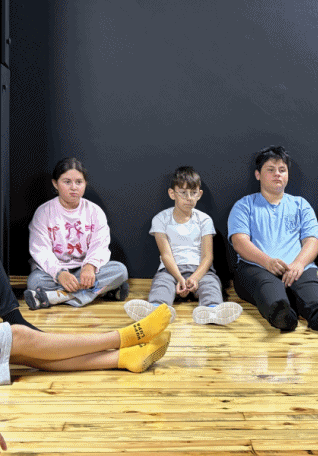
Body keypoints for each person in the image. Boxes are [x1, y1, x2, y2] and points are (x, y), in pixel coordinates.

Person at [228, 145, 318, 331]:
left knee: (309, 284)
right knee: (269, 287)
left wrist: (298, 264)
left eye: (282, 170)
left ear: (287, 174)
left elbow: (312, 241)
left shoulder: (301, 205)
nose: (277, 174)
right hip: (256, 267)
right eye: (270, 169)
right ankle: (282, 317)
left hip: (297, 267)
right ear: (258, 174)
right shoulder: (244, 205)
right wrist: (267, 262)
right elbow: (239, 242)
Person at [1, 264, 173, 385]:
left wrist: (90, 266)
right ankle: (124, 337)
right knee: (18, 337)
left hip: (86, 275)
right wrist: (59, 272)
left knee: (18, 352)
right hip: (52, 276)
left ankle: (124, 357)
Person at [124, 166, 242, 325]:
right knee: (162, 284)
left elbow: (207, 256)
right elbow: (166, 255)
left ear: (199, 194)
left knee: (211, 284)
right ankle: (157, 309)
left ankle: (212, 309)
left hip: (200, 270)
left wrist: (195, 278)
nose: (189, 198)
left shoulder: (204, 220)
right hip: (171, 270)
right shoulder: (161, 219)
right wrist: (179, 278)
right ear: (172, 193)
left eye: (193, 193)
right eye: (183, 193)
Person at [24, 158, 129, 309]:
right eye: (67, 182)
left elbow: (100, 245)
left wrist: (90, 266)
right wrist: (60, 273)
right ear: (55, 184)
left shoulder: (94, 211)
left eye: (79, 182)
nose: (74, 187)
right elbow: (40, 250)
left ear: (85, 184)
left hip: (85, 270)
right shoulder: (44, 212)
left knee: (120, 271)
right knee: (34, 281)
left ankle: (55, 297)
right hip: (55, 272)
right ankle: (102, 291)